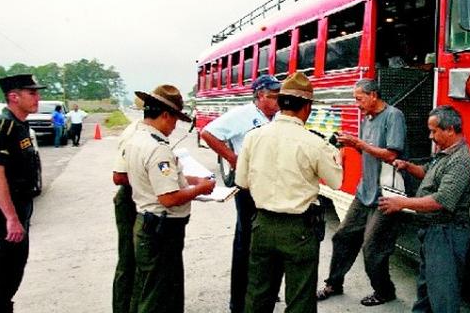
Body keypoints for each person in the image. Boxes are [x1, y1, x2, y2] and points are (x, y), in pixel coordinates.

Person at [236, 72, 343, 313]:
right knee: (300, 300)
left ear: (281, 102)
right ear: (307, 107)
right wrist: (337, 155)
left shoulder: (253, 137)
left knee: (257, 295)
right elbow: (336, 182)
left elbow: (242, 181)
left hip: (261, 224)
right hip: (299, 231)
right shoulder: (315, 143)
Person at [125, 85, 216, 313]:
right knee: (158, 297)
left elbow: (157, 178)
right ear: (165, 115)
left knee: (148, 288)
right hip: (161, 230)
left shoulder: (138, 139)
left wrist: (191, 180)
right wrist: (201, 188)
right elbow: (168, 197)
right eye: (175, 119)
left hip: (148, 224)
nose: (175, 125)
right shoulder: (158, 149)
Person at [317, 78, 406, 306]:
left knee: (372, 247)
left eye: (359, 98)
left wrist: (360, 145)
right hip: (364, 191)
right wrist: (345, 147)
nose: (356, 104)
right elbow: (366, 151)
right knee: (343, 236)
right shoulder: (366, 118)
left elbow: (392, 155)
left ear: (373, 95)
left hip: (385, 195)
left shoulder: (394, 116)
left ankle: (385, 291)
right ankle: (333, 284)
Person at [378, 105, 470, 313]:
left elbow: (441, 201)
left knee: (443, 297)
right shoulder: (445, 154)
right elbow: (427, 171)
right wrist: (407, 166)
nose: (430, 136)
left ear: (449, 129)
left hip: (446, 234)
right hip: (433, 233)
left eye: (434, 131)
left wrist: (401, 203)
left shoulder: (461, 162)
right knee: (426, 291)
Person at [200, 74, 281, 313]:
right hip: (249, 187)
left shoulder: (278, 117)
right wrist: (234, 160)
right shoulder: (242, 115)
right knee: (246, 243)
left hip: (273, 186)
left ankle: (265, 292)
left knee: (269, 241)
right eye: (273, 96)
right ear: (259, 96)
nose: (278, 100)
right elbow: (207, 133)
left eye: (279, 96)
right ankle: (238, 301)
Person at [0, 74, 46, 313]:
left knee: (14, 270)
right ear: (13, 96)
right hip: (3, 213)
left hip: (20, 207)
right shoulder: (2, 125)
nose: (37, 98)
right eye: (32, 93)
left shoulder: (20, 125)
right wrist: (11, 218)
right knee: (3, 275)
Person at [111, 115, 144, 313]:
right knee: (128, 260)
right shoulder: (136, 134)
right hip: (131, 199)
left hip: (139, 197)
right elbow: (119, 176)